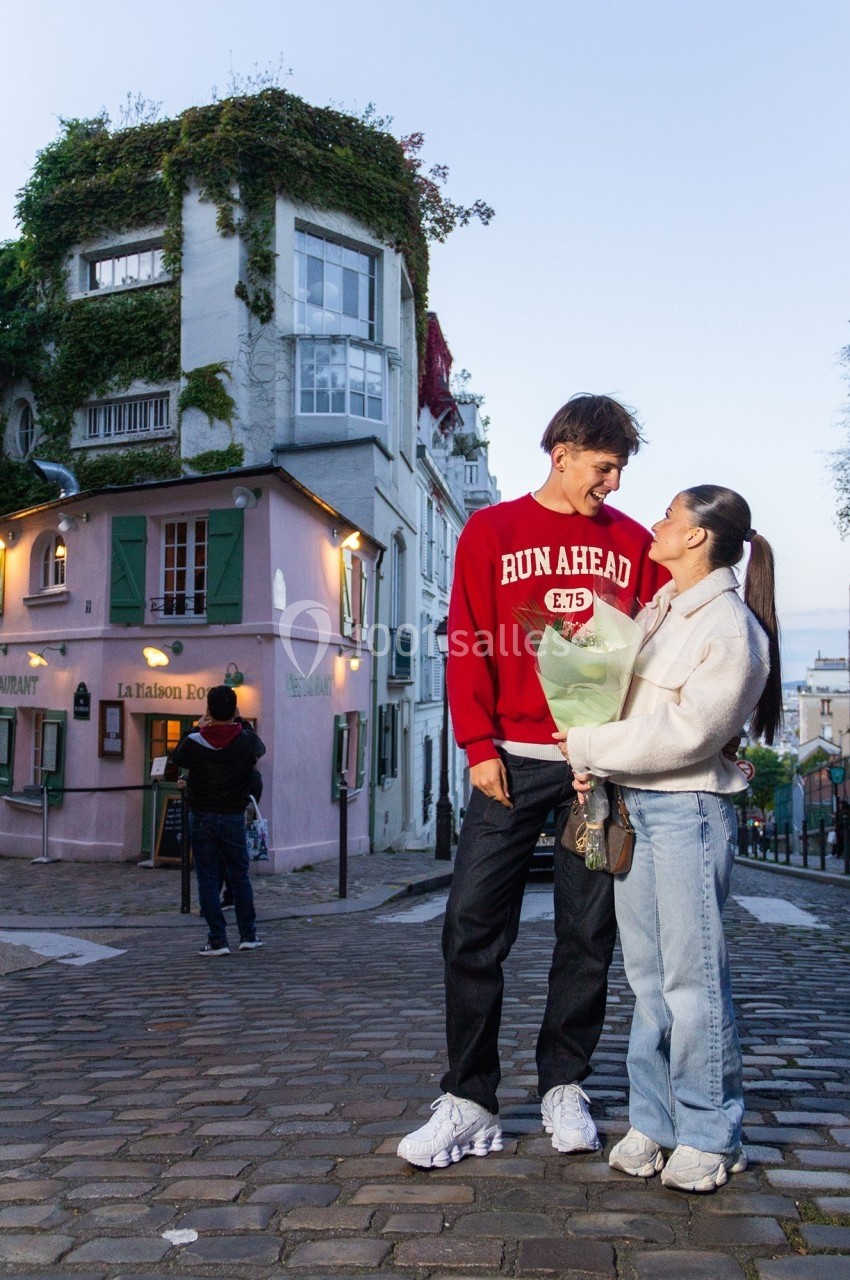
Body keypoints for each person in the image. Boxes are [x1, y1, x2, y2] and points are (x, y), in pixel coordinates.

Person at [397, 393, 668, 1169]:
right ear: (562, 453)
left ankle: (564, 1085)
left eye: (620, 471)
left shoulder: (634, 542)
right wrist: (476, 744)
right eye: (604, 467)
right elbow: (465, 639)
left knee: (587, 932)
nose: (613, 484)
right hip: (510, 763)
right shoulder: (492, 530)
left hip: (598, 770)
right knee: (470, 927)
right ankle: (470, 1099)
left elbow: (657, 647)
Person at [559, 484, 781, 1193]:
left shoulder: (731, 629)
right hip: (635, 805)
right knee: (648, 978)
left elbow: (689, 732)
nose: (656, 523)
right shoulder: (660, 608)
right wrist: (594, 750)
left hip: (688, 810)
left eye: (669, 515)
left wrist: (590, 744)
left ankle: (711, 1132)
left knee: (692, 980)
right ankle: (653, 1122)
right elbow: (630, 705)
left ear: (696, 537)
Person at [172, 686, 266, 956]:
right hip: (233, 814)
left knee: (207, 878)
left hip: (202, 814)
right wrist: (239, 720)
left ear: (208, 711)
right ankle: (248, 935)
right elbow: (259, 748)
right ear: (234, 710)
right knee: (240, 876)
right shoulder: (245, 740)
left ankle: (218, 939)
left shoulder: (195, 741)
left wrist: (196, 727)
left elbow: (177, 756)